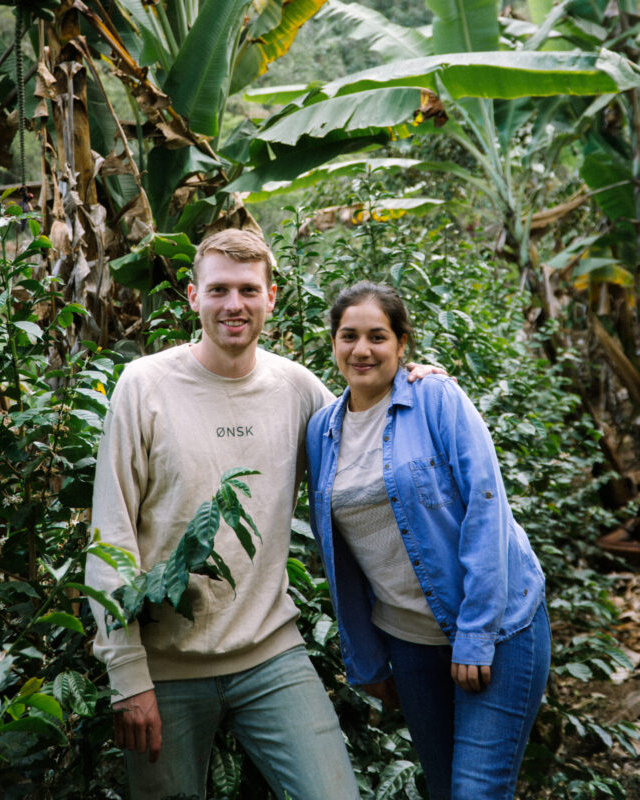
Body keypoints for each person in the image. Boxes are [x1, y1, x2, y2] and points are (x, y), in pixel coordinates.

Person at [86, 231, 443, 800]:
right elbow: (112, 534)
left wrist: (413, 383)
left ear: (271, 297)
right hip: (165, 666)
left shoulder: (296, 388)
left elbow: (371, 449)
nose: (235, 305)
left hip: (270, 652)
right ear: (192, 296)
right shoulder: (144, 386)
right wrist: (127, 674)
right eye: (219, 290)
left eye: (249, 290)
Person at [305, 281, 551, 800]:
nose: (362, 349)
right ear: (333, 342)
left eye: (378, 336)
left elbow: (487, 510)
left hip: (498, 629)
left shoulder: (436, 398)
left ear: (402, 343)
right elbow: (339, 556)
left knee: (476, 790)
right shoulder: (322, 430)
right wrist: (366, 658)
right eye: (349, 335)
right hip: (410, 643)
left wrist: (475, 635)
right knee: (443, 788)